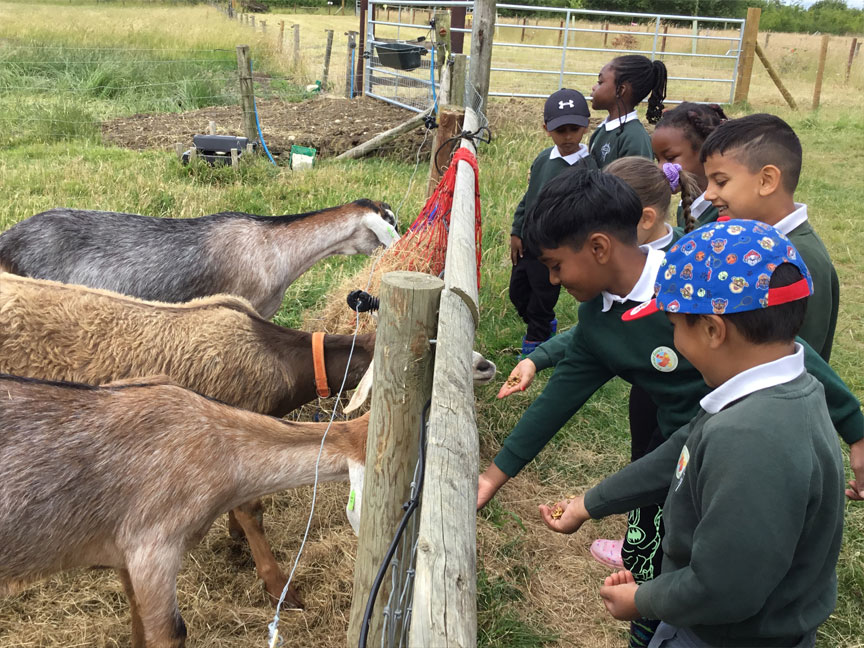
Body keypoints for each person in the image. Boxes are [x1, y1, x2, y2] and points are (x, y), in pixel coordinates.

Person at [479, 168, 864, 646]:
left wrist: (858, 432)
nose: (554, 279)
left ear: (711, 330)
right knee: (672, 548)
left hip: (731, 608)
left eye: (557, 265)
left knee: (704, 554)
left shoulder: (747, 423)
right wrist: (563, 497)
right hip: (693, 468)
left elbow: (725, 585)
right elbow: (660, 442)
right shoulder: (722, 400)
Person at [700, 113, 839, 363]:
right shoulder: (750, 240)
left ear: (767, 180)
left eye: (720, 182)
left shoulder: (801, 259)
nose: (708, 194)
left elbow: (802, 360)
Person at [509, 88, 595, 357]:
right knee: (517, 292)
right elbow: (529, 197)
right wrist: (516, 231)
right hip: (529, 243)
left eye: (574, 128)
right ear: (546, 128)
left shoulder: (588, 168)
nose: (568, 136)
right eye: (560, 130)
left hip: (555, 248)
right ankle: (545, 326)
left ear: (586, 126)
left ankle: (535, 345)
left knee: (542, 298)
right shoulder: (544, 160)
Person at [651, 102, 728, 229]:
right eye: (657, 159)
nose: (661, 168)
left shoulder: (723, 210)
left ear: (706, 152)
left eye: (670, 158)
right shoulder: (685, 204)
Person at [588, 55, 667, 168]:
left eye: (600, 82)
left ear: (620, 90)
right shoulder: (603, 129)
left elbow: (637, 183)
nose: (594, 87)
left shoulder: (635, 138)